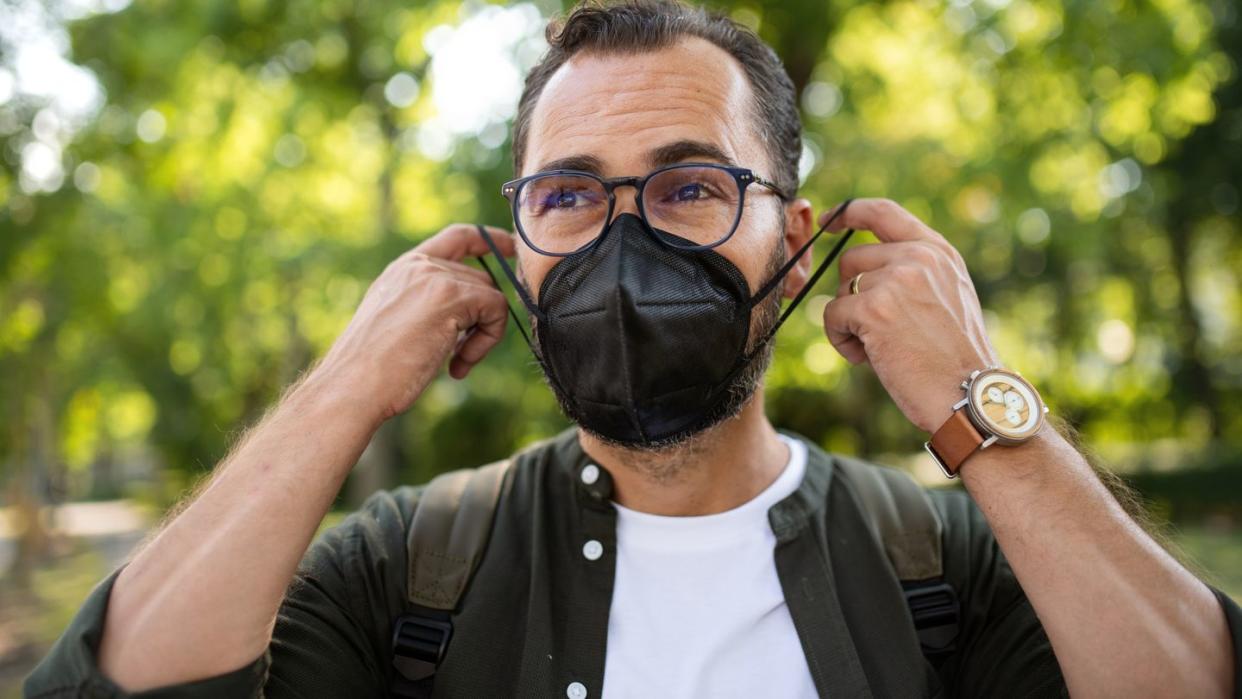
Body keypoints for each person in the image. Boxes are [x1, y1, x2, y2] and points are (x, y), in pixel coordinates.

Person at [26, 1, 1240, 697]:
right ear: (515, 247)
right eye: (568, 197)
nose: (623, 242)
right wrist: (342, 389)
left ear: (795, 238)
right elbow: (115, 688)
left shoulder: (952, 566)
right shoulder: (408, 568)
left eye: (688, 186)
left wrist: (988, 415)